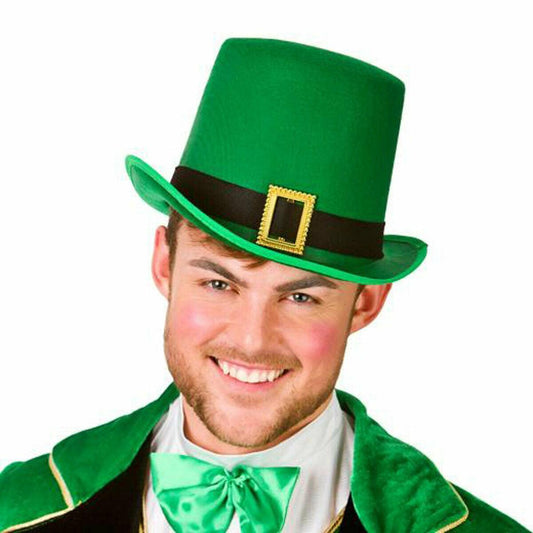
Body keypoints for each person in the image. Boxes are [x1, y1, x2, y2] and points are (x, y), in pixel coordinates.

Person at [0, 37, 529, 533]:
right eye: (218, 284)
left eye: (300, 297)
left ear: (365, 304)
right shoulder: (18, 509)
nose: (252, 339)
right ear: (164, 264)